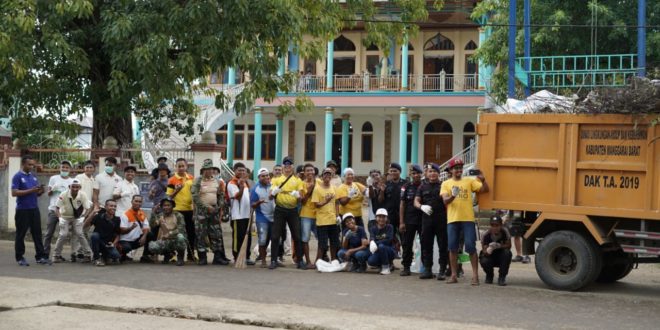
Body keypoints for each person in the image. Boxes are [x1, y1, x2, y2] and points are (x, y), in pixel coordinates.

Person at [441, 158, 489, 285]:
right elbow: (445, 201)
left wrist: (484, 181)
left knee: (471, 247)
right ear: (451, 170)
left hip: (468, 219)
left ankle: (475, 276)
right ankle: (453, 275)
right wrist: (453, 195)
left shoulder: (469, 181)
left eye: (460, 168)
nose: (458, 170)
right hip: (452, 219)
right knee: (452, 248)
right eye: (456, 168)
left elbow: (484, 190)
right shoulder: (446, 183)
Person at [12, 155, 48, 266]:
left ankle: (40, 257)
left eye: (33, 164)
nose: (32, 166)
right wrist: (31, 190)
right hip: (22, 210)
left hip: (34, 209)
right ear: (23, 164)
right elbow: (14, 193)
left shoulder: (33, 176)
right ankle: (20, 257)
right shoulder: (17, 176)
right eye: (29, 164)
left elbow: (35, 193)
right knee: (21, 234)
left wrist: (40, 191)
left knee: (37, 233)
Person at [414, 163, 449, 280]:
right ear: (426, 174)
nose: (432, 173)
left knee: (442, 245)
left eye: (435, 171)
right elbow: (416, 201)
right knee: (426, 245)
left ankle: (442, 270)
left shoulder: (443, 185)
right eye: (430, 171)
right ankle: (427, 269)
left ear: (439, 174)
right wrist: (421, 206)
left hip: (441, 220)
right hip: (427, 220)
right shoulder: (422, 187)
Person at [191, 159, 229, 266]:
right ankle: (202, 257)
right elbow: (195, 197)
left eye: (211, 169)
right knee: (201, 234)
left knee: (216, 234)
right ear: (202, 170)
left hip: (214, 211)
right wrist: (206, 207)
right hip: (201, 211)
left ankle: (217, 257)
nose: (209, 171)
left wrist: (218, 206)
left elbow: (221, 195)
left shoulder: (217, 181)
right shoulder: (197, 181)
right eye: (206, 169)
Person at [269, 156, 304, 269]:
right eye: (285, 165)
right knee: (275, 236)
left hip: (293, 210)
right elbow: (270, 196)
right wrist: (274, 192)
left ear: (292, 167)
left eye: (289, 165)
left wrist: (298, 195)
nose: (287, 167)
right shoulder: (276, 180)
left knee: (297, 236)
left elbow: (301, 198)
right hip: (280, 210)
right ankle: (273, 260)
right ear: (283, 167)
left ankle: (300, 261)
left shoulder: (298, 180)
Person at [52, 179, 93, 263]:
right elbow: (56, 208)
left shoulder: (83, 195)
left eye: (77, 187)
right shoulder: (63, 194)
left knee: (79, 233)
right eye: (73, 187)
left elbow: (88, 208)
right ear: (69, 187)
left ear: (80, 187)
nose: (75, 189)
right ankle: (56, 255)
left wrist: (83, 217)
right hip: (65, 216)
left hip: (77, 218)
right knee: (63, 234)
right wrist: (60, 218)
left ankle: (87, 254)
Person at [43, 160, 74, 259]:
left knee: (63, 235)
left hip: (65, 212)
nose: (64, 169)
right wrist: (53, 190)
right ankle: (45, 254)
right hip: (53, 210)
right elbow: (48, 194)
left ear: (70, 169)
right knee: (49, 233)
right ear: (59, 168)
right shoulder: (53, 178)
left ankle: (58, 254)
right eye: (63, 167)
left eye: (66, 167)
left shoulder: (72, 181)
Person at [166, 158, 196, 261]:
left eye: (183, 166)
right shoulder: (172, 180)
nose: (181, 168)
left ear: (187, 167)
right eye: (179, 166)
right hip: (177, 210)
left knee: (191, 233)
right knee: (178, 233)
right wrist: (177, 190)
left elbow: (195, 194)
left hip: (190, 210)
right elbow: (169, 197)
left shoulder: (191, 178)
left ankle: (191, 255)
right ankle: (178, 255)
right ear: (176, 167)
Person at [311, 168, 340, 265]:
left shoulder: (334, 187)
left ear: (331, 176)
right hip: (322, 221)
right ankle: (317, 262)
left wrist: (337, 215)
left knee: (334, 242)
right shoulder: (317, 188)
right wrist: (325, 201)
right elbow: (316, 205)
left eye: (329, 174)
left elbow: (336, 202)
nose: (327, 176)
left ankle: (334, 261)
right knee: (322, 244)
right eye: (325, 174)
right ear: (322, 176)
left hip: (333, 220)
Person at [399, 164, 423, 277]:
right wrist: (401, 222)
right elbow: (402, 205)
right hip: (409, 220)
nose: (416, 175)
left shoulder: (425, 186)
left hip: (423, 220)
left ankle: (426, 267)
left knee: (425, 244)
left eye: (418, 173)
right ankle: (406, 267)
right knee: (407, 244)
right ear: (410, 175)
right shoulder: (406, 187)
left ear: (421, 174)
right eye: (414, 173)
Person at [227, 162, 254, 265]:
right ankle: (237, 256)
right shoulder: (232, 183)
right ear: (235, 171)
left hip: (247, 215)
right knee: (238, 237)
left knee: (248, 237)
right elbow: (237, 197)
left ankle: (247, 256)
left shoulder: (247, 182)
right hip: (237, 216)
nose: (242, 172)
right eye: (239, 170)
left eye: (244, 170)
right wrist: (241, 186)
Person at [147, 198, 187, 266]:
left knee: (181, 237)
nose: (166, 207)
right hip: (165, 240)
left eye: (169, 205)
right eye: (164, 205)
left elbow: (181, 229)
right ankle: (167, 254)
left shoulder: (178, 215)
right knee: (152, 246)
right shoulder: (160, 215)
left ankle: (180, 258)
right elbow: (153, 225)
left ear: (173, 206)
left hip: (175, 239)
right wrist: (153, 213)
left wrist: (169, 234)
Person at [250, 168, 275, 268]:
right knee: (263, 240)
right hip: (262, 218)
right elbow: (252, 205)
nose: (266, 177)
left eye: (267, 175)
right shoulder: (255, 189)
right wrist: (258, 202)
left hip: (274, 217)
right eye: (263, 176)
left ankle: (274, 259)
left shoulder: (273, 186)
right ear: (259, 177)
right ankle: (263, 260)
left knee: (274, 239)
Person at [84, 200, 121, 266]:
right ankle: (96, 258)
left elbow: (118, 235)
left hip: (108, 244)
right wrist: (93, 213)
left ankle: (104, 256)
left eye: (115, 206)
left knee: (116, 255)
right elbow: (85, 225)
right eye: (111, 206)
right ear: (106, 207)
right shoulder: (98, 216)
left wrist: (113, 244)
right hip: (97, 242)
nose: (113, 208)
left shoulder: (117, 219)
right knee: (94, 235)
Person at [74, 160, 98, 260]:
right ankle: (79, 251)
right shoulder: (79, 178)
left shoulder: (94, 180)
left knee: (85, 230)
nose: (88, 169)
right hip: (79, 208)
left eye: (90, 167)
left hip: (89, 209)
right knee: (79, 230)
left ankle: (81, 251)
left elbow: (94, 196)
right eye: (87, 167)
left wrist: (93, 208)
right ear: (84, 168)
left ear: (94, 169)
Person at [380, 163, 406, 253]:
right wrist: (382, 191)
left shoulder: (405, 183)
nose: (393, 172)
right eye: (391, 171)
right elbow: (380, 200)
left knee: (404, 238)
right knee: (390, 238)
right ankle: (392, 257)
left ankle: (406, 259)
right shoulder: (386, 184)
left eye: (395, 171)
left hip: (402, 216)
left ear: (400, 172)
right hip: (390, 216)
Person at [480, 215, 513, 286]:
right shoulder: (485, 234)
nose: (495, 227)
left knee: (507, 253)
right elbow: (484, 250)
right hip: (490, 257)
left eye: (497, 225)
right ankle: (489, 275)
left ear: (501, 225)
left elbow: (509, 245)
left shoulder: (505, 232)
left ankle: (502, 277)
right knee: (484, 260)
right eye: (492, 225)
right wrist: (489, 250)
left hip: (501, 255)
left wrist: (499, 246)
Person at [117, 195, 150, 262]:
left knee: (150, 235)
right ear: (132, 202)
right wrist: (131, 228)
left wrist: (144, 236)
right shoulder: (125, 214)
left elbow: (146, 227)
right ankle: (122, 254)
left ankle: (145, 256)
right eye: (136, 201)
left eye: (140, 202)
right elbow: (122, 231)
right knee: (126, 248)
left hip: (136, 240)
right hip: (125, 240)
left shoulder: (142, 213)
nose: (138, 203)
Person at [299, 163, 318, 269]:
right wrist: (309, 191)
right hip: (306, 215)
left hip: (318, 215)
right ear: (304, 173)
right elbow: (302, 202)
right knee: (305, 239)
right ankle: (308, 261)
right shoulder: (301, 184)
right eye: (308, 171)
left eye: (311, 170)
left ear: (314, 171)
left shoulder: (319, 182)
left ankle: (318, 260)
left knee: (321, 238)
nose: (310, 172)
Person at [368, 208, 396, 275]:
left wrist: (376, 243)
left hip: (390, 250)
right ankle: (382, 265)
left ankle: (386, 268)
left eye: (383, 217)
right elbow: (372, 237)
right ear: (376, 218)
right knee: (371, 261)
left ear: (387, 218)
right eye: (379, 217)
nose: (381, 219)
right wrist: (371, 241)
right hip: (378, 250)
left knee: (381, 246)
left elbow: (389, 240)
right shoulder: (373, 228)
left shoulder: (390, 227)